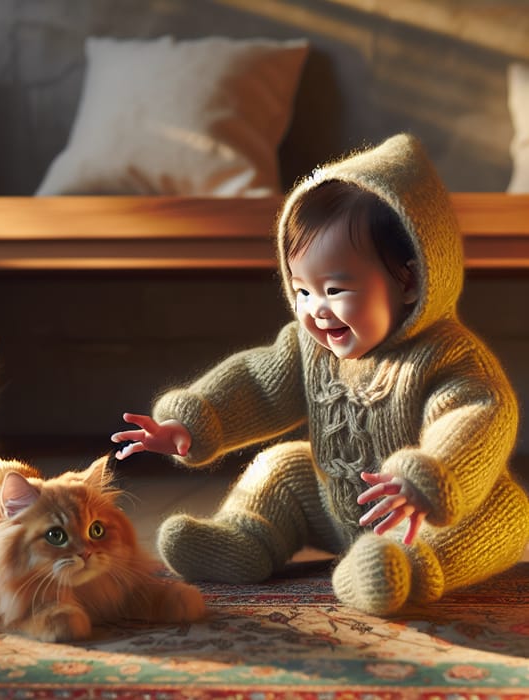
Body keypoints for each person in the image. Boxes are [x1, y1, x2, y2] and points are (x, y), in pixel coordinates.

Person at [111, 133, 529, 616]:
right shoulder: (308, 347)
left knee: (500, 516)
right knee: (284, 465)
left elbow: (476, 415)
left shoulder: (447, 357)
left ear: (409, 281)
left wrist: (427, 478)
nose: (316, 311)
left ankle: (398, 567)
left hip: (419, 513)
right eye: (302, 289)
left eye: (334, 288)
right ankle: (245, 535)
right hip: (337, 506)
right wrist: (194, 421)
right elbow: (258, 384)